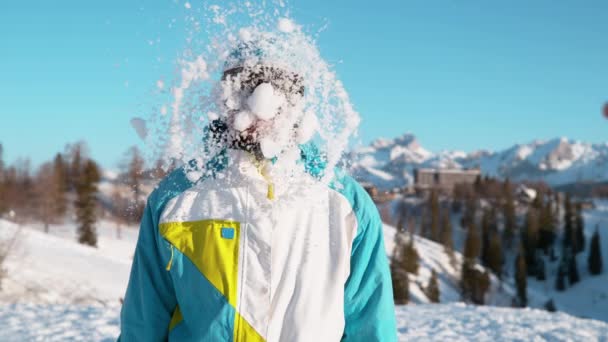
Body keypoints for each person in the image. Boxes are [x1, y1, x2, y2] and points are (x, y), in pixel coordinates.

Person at [118, 44, 396, 342]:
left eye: (277, 90)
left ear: (295, 103)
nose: (256, 105)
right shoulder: (176, 199)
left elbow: (370, 323)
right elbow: (144, 321)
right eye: (243, 89)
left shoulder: (344, 204)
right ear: (224, 99)